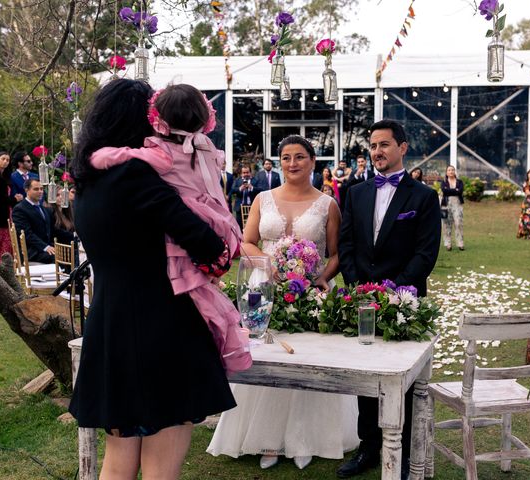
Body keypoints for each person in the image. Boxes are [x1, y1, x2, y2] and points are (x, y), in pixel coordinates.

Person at [68, 79, 236, 480]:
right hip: (162, 330)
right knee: (161, 470)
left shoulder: (88, 180)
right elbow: (209, 245)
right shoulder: (136, 175)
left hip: (110, 328)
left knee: (117, 464)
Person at [207, 135, 357, 470]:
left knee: (307, 360)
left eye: (300, 157)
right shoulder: (263, 198)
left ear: (313, 162)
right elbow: (245, 242)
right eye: (286, 157)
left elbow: (336, 254)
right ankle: (266, 439)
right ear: (278, 162)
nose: (293, 163)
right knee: (269, 356)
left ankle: (306, 438)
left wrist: (321, 278)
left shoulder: (328, 203)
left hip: (312, 292)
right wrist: (268, 263)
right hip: (266, 289)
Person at [89, 83, 250, 374]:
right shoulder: (205, 147)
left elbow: (122, 156)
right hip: (211, 219)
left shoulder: (152, 155)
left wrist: (101, 155)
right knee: (203, 285)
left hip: (117, 307)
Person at [338, 119, 441, 479]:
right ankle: (368, 445)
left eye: (384, 145)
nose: (377, 151)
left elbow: (425, 255)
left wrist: (394, 291)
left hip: (405, 302)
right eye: (373, 145)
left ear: (402, 147)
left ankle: (403, 450)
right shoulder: (355, 193)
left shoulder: (424, 197)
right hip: (361, 302)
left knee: (405, 380)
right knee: (364, 378)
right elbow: (346, 245)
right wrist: (358, 289)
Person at [11, 179, 56, 264]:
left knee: (73, 251)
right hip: (31, 251)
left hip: (45, 247)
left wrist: (74, 236)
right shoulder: (20, 209)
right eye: (36, 189)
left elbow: (53, 230)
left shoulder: (44, 209)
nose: (40, 192)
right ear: (26, 190)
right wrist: (45, 247)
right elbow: (26, 234)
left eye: (41, 189)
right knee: (57, 258)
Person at [440, 165, 465, 251]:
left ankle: (460, 243)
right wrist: (455, 190)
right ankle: (448, 244)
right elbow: (444, 191)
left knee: (458, 224)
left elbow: (460, 191)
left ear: (455, 172)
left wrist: (451, 191)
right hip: (446, 205)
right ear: (446, 172)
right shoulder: (443, 182)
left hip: (457, 204)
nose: (451, 172)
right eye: (449, 170)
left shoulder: (459, 182)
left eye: (452, 170)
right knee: (446, 225)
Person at [517, 169, 530, 239]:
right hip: (527, 203)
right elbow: (528, 192)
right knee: (526, 218)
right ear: (527, 175)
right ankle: (526, 233)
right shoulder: (526, 183)